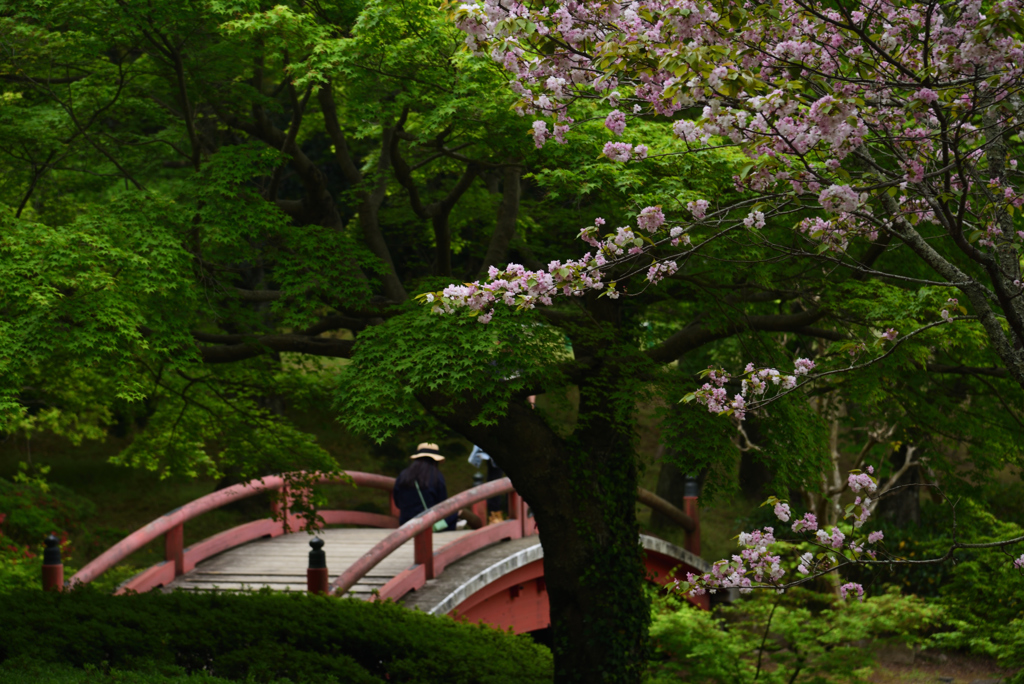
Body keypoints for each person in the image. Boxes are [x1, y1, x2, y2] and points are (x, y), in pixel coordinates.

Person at [393, 443, 482, 530]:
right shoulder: (436, 476)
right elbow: (442, 504)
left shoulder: (403, 475)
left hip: (405, 523)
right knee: (457, 512)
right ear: (435, 460)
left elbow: (397, 502)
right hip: (427, 523)